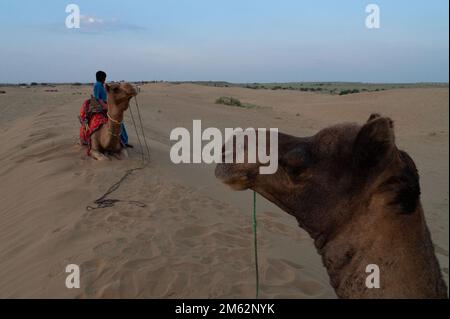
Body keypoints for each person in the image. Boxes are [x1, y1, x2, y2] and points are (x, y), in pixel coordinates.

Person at [93, 71, 132, 148]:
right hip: (103, 106)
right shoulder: (97, 85)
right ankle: (123, 141)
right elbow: (98, 99)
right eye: (104, 78)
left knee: (119, 122)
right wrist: (106, 107)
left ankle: (123, 141)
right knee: (117, 122)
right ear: (103, 78)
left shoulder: (101, 85)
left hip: (108, 104)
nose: (105, 79)